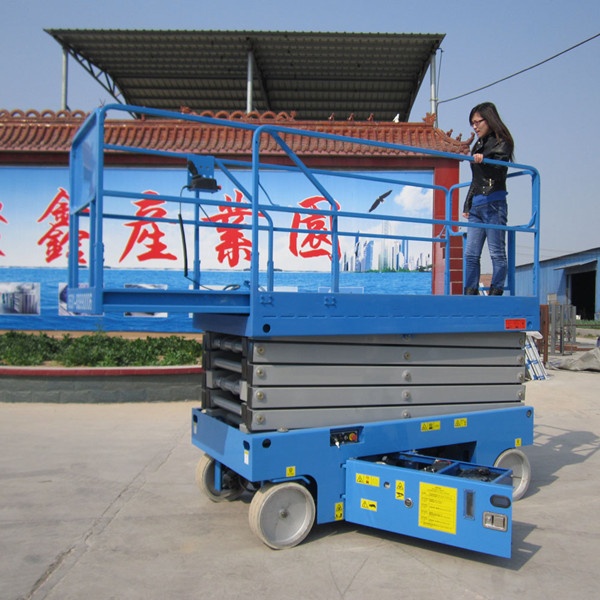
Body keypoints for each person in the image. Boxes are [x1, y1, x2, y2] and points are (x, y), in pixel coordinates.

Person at [462, 102, 514, 295]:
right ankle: (470, 291)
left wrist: (484, 160)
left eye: (478, 122)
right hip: (477, 205)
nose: (475, 127)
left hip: (494, 202)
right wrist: (467, 203)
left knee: (496, 253)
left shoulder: (503, 141)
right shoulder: (478, 144)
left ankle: (496, 290)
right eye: (472, 123)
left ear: (489, 119)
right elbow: (476, 179)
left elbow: (500, 171)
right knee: (471, 254)